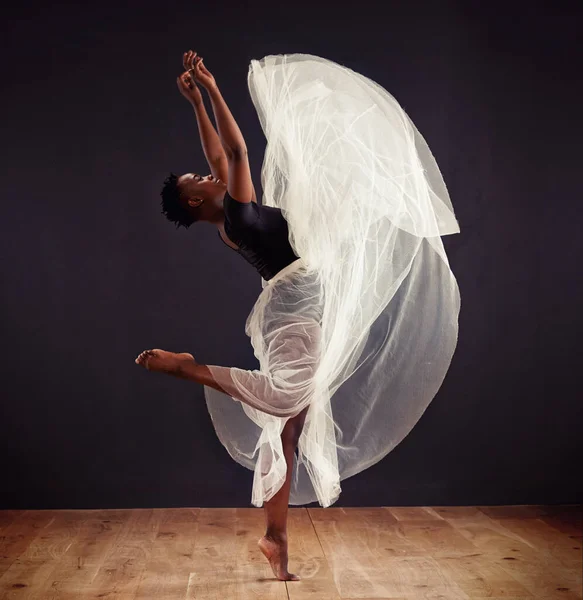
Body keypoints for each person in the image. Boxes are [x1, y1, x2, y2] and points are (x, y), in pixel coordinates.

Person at [136, 50, 462, 582]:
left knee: (288, 430)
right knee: (287, 403)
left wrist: (196, 103)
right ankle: (188, 368)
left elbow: (222, 159)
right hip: (292, 317)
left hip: (291, 310)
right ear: (195, 201)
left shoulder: (232, 217)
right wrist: (215, 89)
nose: (210, 171)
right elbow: (237, 150)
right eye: (199, 178)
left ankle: (276, 536)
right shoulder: (238, 215)